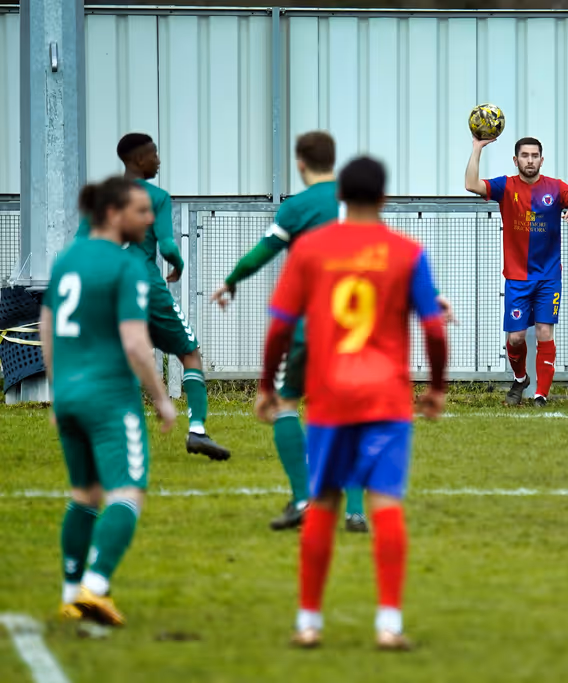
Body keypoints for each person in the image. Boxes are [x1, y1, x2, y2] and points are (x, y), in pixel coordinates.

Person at [255, 156, 447, 650]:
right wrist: (438, 387)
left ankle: (309, 622)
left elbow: (279, 327)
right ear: (384, 197)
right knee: (385, 504)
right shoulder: (406, 251)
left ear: (341, 198)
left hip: (330, 396)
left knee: (322, 503)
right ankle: (388, 624)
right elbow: (432, 327)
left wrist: (266, 385)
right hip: (386, 397)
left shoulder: (312, 249)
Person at [211, 131, 369, 532]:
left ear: (301, 163)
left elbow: (261, 254)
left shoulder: (297, 208)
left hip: (310, 323)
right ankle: (354, 511)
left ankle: (304, 500)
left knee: (285, 404)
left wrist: (230, 281)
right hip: (354, 322)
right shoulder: (356, 202)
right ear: (334, 161)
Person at [43, 177, 178, 626]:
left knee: (84, 493)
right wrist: (160, 398)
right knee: (127, 492)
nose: (150, 218)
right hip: (109, 397)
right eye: (141, 210)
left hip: (69, 394)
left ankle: (69, 592)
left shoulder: (67, 259)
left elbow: (46, 325)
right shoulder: (126, 268)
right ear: (113, 213)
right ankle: (95, 587)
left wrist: (57, 389)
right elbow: (137, 345)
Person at [75, 133, 228, 461]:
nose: (158, 160)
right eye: (153, 154)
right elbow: (168, 245)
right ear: (137, 158)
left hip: (107, 286)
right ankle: (197, 431)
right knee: (190, 353)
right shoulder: (156, 196)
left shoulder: (103, 196)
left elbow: (81, 244)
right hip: (144, 283)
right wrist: (178, 264)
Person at [464, 135, 568, 406]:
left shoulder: (556, 188)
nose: (530, 160)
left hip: (548, 276)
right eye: (525, 156)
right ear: (516, 160)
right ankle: (521, 378)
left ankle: (541, 396)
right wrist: (477, 148)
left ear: (541, 160)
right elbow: (470, 184)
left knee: (545, 332)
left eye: (535, 156)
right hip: (517, 278)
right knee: (515, 338)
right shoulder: (505, 186)